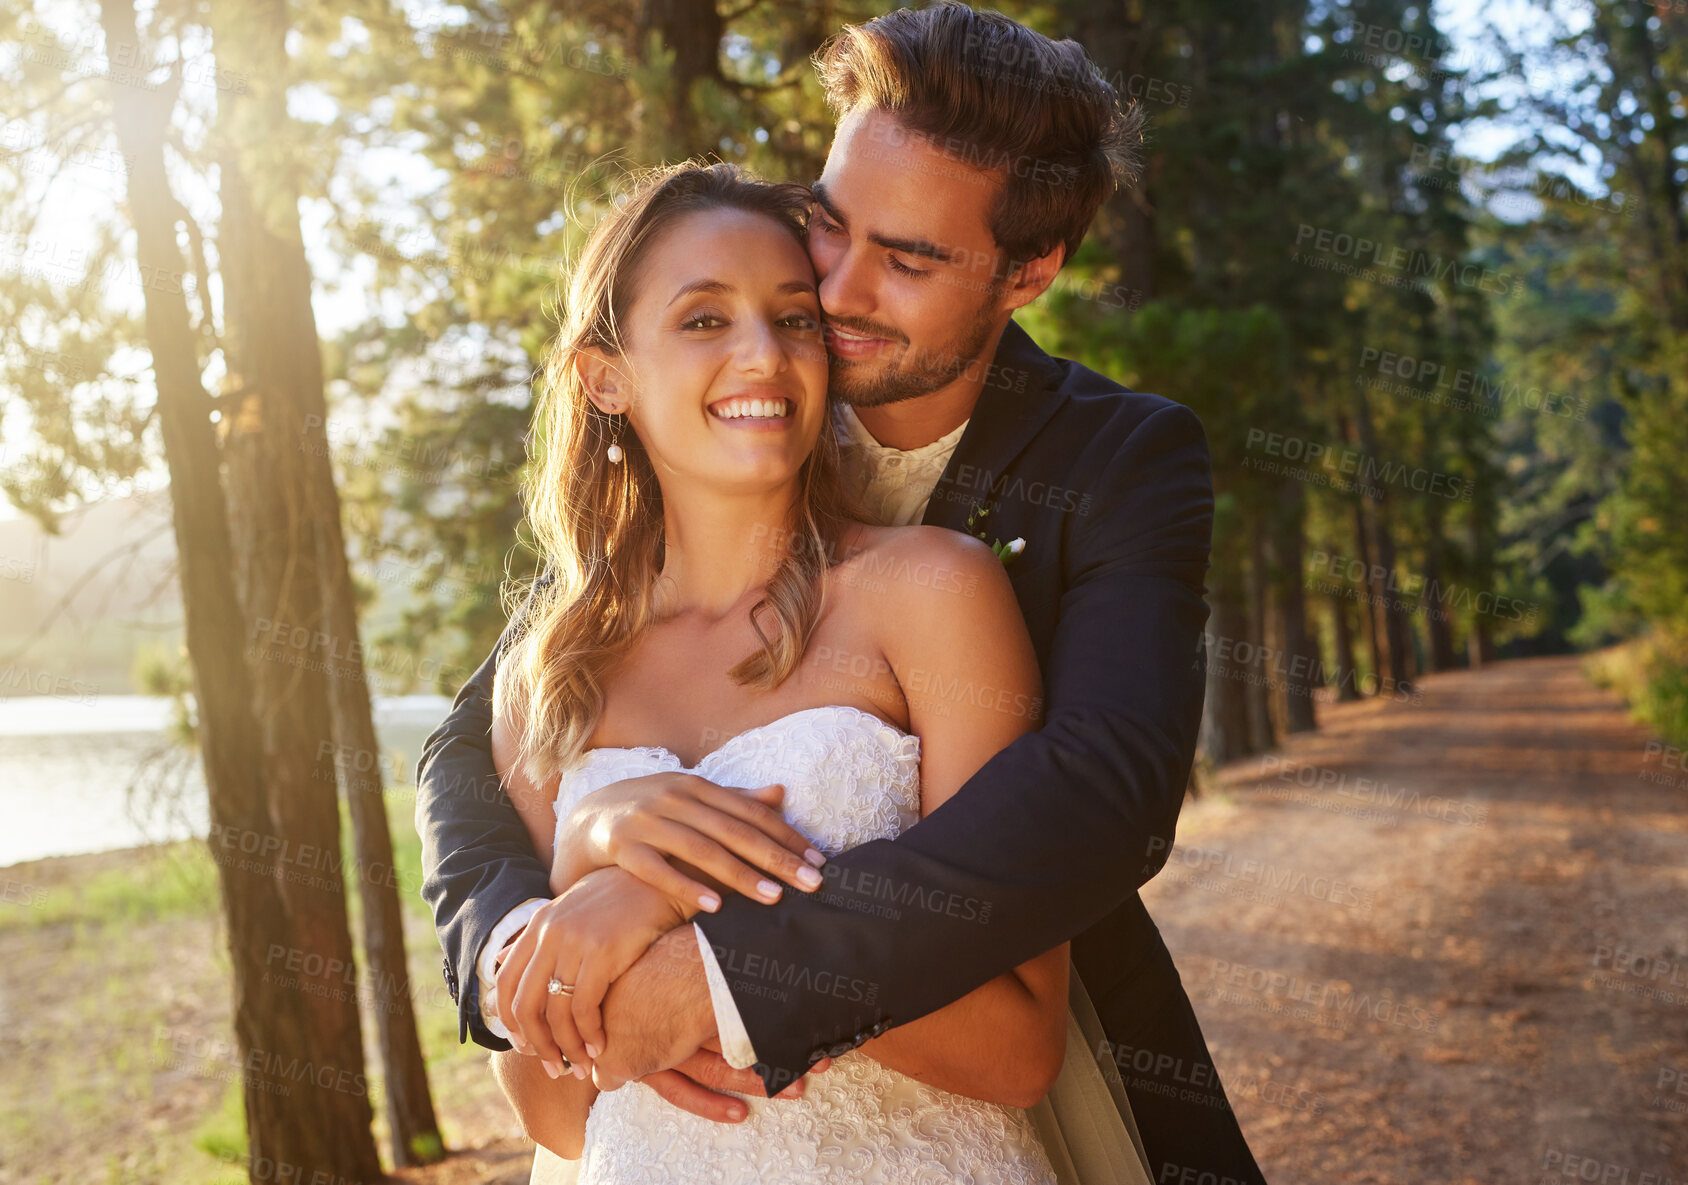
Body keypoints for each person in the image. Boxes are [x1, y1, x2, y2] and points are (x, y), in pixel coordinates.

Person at [417, 5, 1265, 1182]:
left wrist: (702, 952)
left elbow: (1102, 794)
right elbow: (467, 752)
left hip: (998, 1063)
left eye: (909, 258)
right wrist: (578, 864)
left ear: (1027, 272)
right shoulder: (669, 498)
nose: (832, 287)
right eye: (827, 222)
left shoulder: (1112, 463)